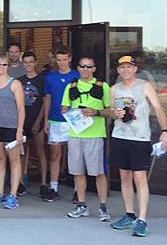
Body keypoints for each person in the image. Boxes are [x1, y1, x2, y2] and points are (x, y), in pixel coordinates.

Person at [109, 55, 167, 237]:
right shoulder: (114, 89)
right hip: (120, 136)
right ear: (118, 70)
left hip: (140, 137)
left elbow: (158, 108)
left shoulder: (144, 86)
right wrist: (115, 113)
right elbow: (112, 113)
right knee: (124, 176)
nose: (125, 70)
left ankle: (142, 220)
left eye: (129, 67)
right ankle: (129, 214)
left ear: (135, 69)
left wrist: (164, 130)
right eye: (122, 67)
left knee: (140, 178)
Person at [61, 56, 111, 222]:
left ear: (94, 69)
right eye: (82, 66)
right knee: (78, 172)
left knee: (98, 172)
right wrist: (72, 112)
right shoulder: (71, 86)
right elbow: (64, 107)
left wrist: (95, 112)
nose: (85, 70)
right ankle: (81, 205)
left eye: (89, 67)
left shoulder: (102, 86)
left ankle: (103, 207)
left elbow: (110, 111)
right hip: (75, 133)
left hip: (95, 134)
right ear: (78, 68)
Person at [0, 53, 25, 209]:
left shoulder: (15, 84)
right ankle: (0, 193)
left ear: (8, 66)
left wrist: (19, 130)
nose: (1, 67)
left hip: (11, 127)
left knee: (14, 161)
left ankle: (13, 195)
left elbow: (21, 109)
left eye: (4, 64)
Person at [42, 48, 80, 202]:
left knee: (75, 156)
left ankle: (78, 190)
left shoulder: (77, 75)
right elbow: (47, 99)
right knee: (55, 155)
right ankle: (53, 188)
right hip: (56, 119)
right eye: (59, 60)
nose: (62, 63)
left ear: (69, 58)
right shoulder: (50, 77)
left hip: (74, 120)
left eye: (64, 59)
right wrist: (45, 120)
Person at [17, 51, 47, 198]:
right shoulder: (18, 81)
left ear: (35, 63)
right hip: (22, 122)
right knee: (22, 154)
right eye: (26, 62)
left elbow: (43, 102)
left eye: (31, 62)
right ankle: (21, 183)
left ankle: (43, 184)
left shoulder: (41, 80)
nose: (28, 65)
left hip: (37, 121)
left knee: (40, 152)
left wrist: (38, 122)